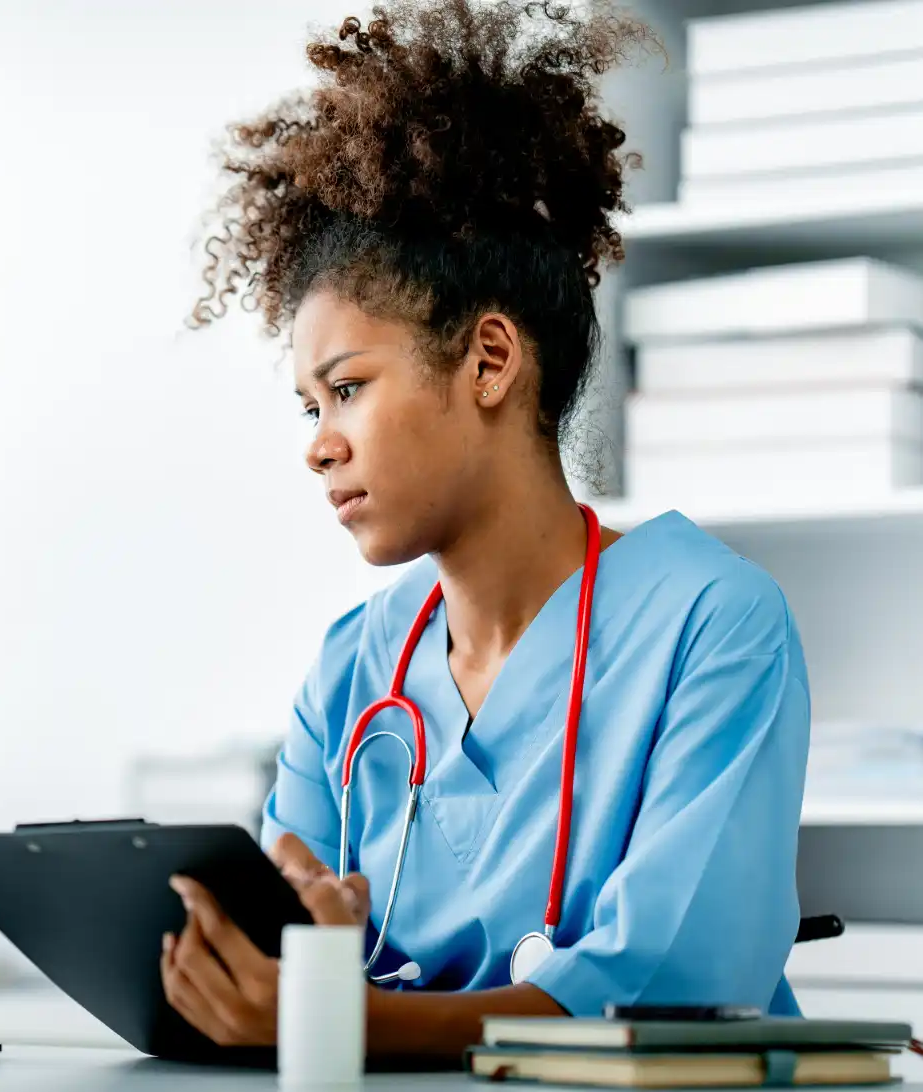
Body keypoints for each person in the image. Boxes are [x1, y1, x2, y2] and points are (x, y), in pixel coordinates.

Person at [160, 0, 811, 1060]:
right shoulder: (354, 669)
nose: (319, 446)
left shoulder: (715, 625)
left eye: (348, 389)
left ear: (491, 361)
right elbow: (289, 962)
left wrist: (349, 1022)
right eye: (308, 409)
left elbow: (675, 995)